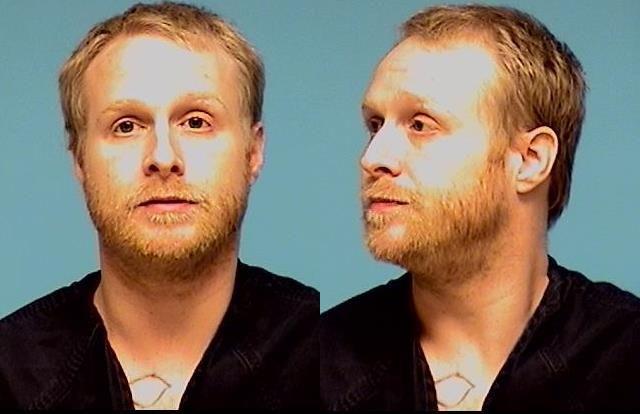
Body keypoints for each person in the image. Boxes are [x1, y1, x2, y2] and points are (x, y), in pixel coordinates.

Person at [320, 4, 640, 411]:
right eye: (375, 125)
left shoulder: (627, 361)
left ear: (530, 160)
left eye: (420, 124)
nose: (373, 158)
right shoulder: (313, 370)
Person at [0, 2, 318, 410]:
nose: (163, 157)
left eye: (196, 122)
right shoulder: (10, 372)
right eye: (126, 126)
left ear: (253, 152)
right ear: (79, 159)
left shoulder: (329, 356)